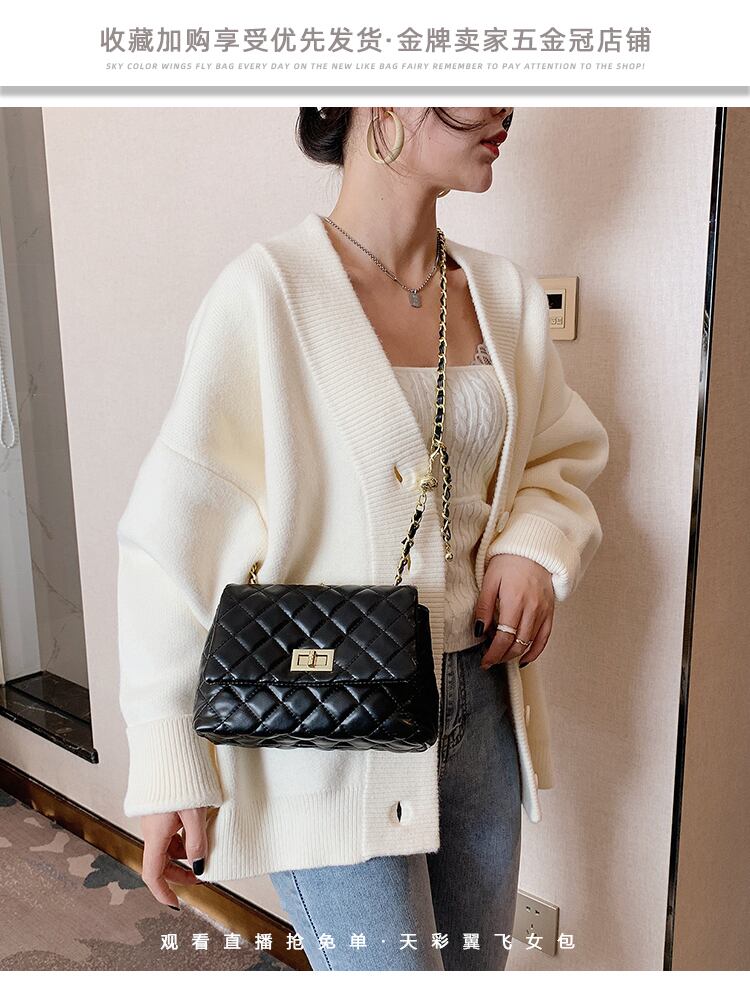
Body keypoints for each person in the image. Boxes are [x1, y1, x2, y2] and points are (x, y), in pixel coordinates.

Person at [116, 107, 609, 971]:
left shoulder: (503, 296)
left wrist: (534, 542)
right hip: (329, 730)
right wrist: (170, 764)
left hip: (483, 707)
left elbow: (556, 454)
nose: (503, 106)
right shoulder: (266, 294)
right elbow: (170, 543)